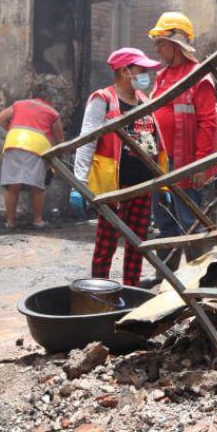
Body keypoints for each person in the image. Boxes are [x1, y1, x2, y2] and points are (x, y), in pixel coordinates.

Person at [71, 48, 165, 286]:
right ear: (125, 71)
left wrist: (164, 184)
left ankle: (131, 290)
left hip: (143, 184)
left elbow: (155, 142)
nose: (146, 75)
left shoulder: (144, 100)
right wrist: (79, 182)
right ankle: (98, 292)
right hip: (114, 185)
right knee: (107, 242)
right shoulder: (103, 99)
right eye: (141, 70)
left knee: (137, 242)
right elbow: (86, 140)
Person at [147, 12, 217, 242]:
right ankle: (165, 277)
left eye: (161, 43)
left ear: (176, 43)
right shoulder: (162, 77)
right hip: (160, 162)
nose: (157, 50)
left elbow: (208, 122)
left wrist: (201, 164)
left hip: (186, 164)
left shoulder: (199, 77)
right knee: (163, 222)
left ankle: (193, 278)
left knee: (190, 224)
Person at [0, 84, 63, 229]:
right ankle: (37, 220)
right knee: (37, 186)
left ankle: (10, 222)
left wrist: (12, 129)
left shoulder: (19, 104)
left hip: (13, 142)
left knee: (12, 186)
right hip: (37, 148)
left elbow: (0, 118)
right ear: (50, 99)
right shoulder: (53, 113)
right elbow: (59, 139)